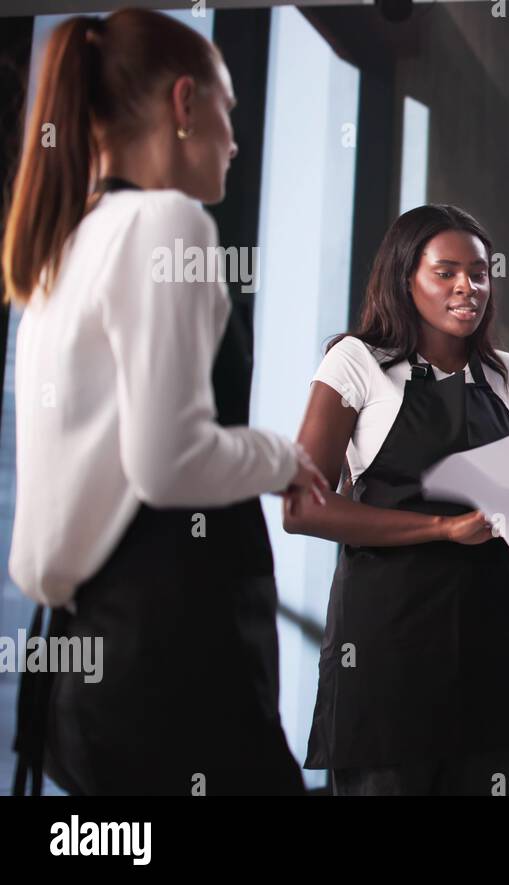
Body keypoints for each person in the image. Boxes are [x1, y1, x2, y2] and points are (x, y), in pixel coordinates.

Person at [4, 10, 329, 795]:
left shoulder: (67, 244)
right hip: (172, 650)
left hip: (93, 654)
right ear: (186, 103)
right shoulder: (168, 222)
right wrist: (283, 457)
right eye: (228, 111)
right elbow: (169, 460)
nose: (234, 139)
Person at [287, 204, 509, 796]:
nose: (467, 288)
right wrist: (442, 530)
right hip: (386, 646)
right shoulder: (357, 363)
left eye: (479, 274)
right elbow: (303, 507)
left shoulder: (508, 377)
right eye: (445, 272)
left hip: (488, 637)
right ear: (406, 279)